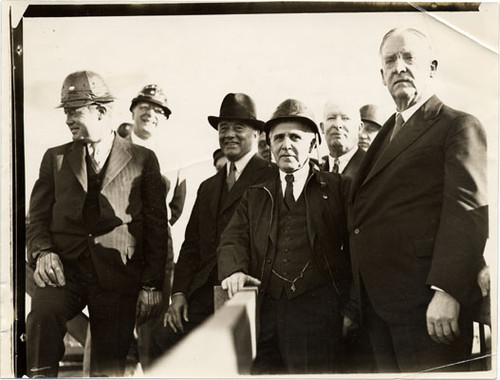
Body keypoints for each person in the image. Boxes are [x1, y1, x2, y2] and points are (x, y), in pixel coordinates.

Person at [349, 28, 488, 372]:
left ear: (432, 67)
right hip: (379, 310)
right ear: (382, 76)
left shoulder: (457, 125)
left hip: (428, 310)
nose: (399, 67)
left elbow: (466, 211)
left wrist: (447, 290)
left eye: (409, 57)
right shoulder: (385, 133)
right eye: (390, 61)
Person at [25, 71, 169, 377]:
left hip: (117, 279)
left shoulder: (144, 160)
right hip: (64, 273)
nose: (68, 120)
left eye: (74, 112)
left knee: (108, 368)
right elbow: (36, 218)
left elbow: (157, 228)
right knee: (41, 317)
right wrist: (42, 252)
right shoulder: (55, 159)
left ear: (101, 111)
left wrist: (151, 284)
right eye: (66, 112)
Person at [218, 99, 354, 374]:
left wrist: (353, 308)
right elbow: (232, 239)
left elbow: (358, 248)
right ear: (268, 146)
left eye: (295, 137)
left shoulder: (338, 188)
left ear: (313, 143)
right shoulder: (256, 195)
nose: (286, 144)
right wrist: (234, 270)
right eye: (278, 138)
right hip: (266, 317)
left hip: (321, 318)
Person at [148, 93, 276, 366]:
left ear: (256, 133)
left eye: (238, 128)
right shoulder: (208, 187)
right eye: (223, 128)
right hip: (202, 296)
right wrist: (179, 294)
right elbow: (191, 244)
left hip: (251, 294)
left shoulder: (272, 176)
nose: (229, 134)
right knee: (161, 340)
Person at [125, 84, 187, 370]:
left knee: (153, 329)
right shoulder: (112, 148)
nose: (151, 113)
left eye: (158, 110)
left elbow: (175, 207)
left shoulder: (175, 156)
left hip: (159, 253)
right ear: (133, 111)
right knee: (110, 331)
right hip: (118, 250)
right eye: (145, 107)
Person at [319, 99, 366, 178]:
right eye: (331, 118)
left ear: (359, 128)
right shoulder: (316, 171)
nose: (337, 125)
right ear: (322, 127)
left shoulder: (372, 167)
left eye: (345, 118)